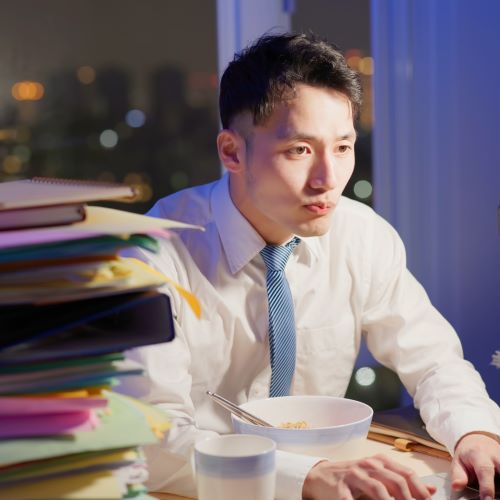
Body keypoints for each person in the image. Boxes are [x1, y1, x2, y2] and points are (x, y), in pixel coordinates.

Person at [125, 33, 500, 499]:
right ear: (231, 152)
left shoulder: (361, 235)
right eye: (299, 150)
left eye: (343, 147)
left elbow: (434, 362)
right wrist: (308, 476)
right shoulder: (151, 256)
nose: (328, 180)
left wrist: (474, 432)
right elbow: (150, 440)